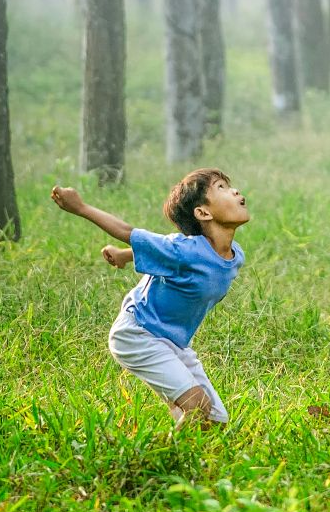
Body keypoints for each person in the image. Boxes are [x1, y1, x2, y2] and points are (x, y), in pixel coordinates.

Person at [51, 170, 249, 426]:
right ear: (203, 213)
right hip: (138, 334)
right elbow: (128, 232)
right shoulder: (184, 249)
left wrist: (124, 255)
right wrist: (80, 207)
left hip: (173, 343)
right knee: (197, 408)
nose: (234, 191)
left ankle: (184, 440)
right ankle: (154, 461)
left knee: (215, 421)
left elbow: (165, 255)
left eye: (230, 187)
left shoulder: (235, 256)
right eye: (221, 187)